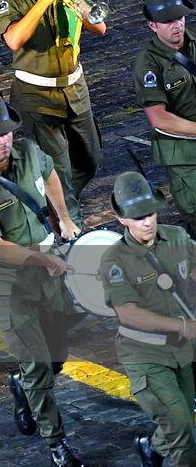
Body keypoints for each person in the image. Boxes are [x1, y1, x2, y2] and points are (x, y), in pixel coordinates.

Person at [0, 90, 83, 467]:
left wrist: (63, 217)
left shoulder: (27, 152)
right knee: (38, 362)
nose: (4, 140)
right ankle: (56, 442)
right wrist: (41, 259)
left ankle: (23, 388)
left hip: (46, 272)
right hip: (10, 285)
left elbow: (49, 173)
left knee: (57, 354)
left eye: (7, 132)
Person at [0, 0, 105, 223]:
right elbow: (14, 39)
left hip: (74, 90)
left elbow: (100, 26)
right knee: (59, 167)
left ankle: (56, 204)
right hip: (36, 96)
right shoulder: (9, 0)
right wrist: (45, 0)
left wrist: (75, 1)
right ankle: (70, 227)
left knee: (90, 160)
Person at [101, 171, 196, 467]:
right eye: (138, 216)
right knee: (183, 432)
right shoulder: (114, 260)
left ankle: (152, 447)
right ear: (121, 219)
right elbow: (128, 313)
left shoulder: (177, 238)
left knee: (183, 421)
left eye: (151, 213)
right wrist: (182, 325)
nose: (147, 221)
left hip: (183, 351)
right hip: (145, 354)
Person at [132, 0, 196, 232]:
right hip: (186, 156)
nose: (177, 25)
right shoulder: (148, 64)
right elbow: (159, 118)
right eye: (168, 21)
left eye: (179, 17)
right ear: (152, 25)